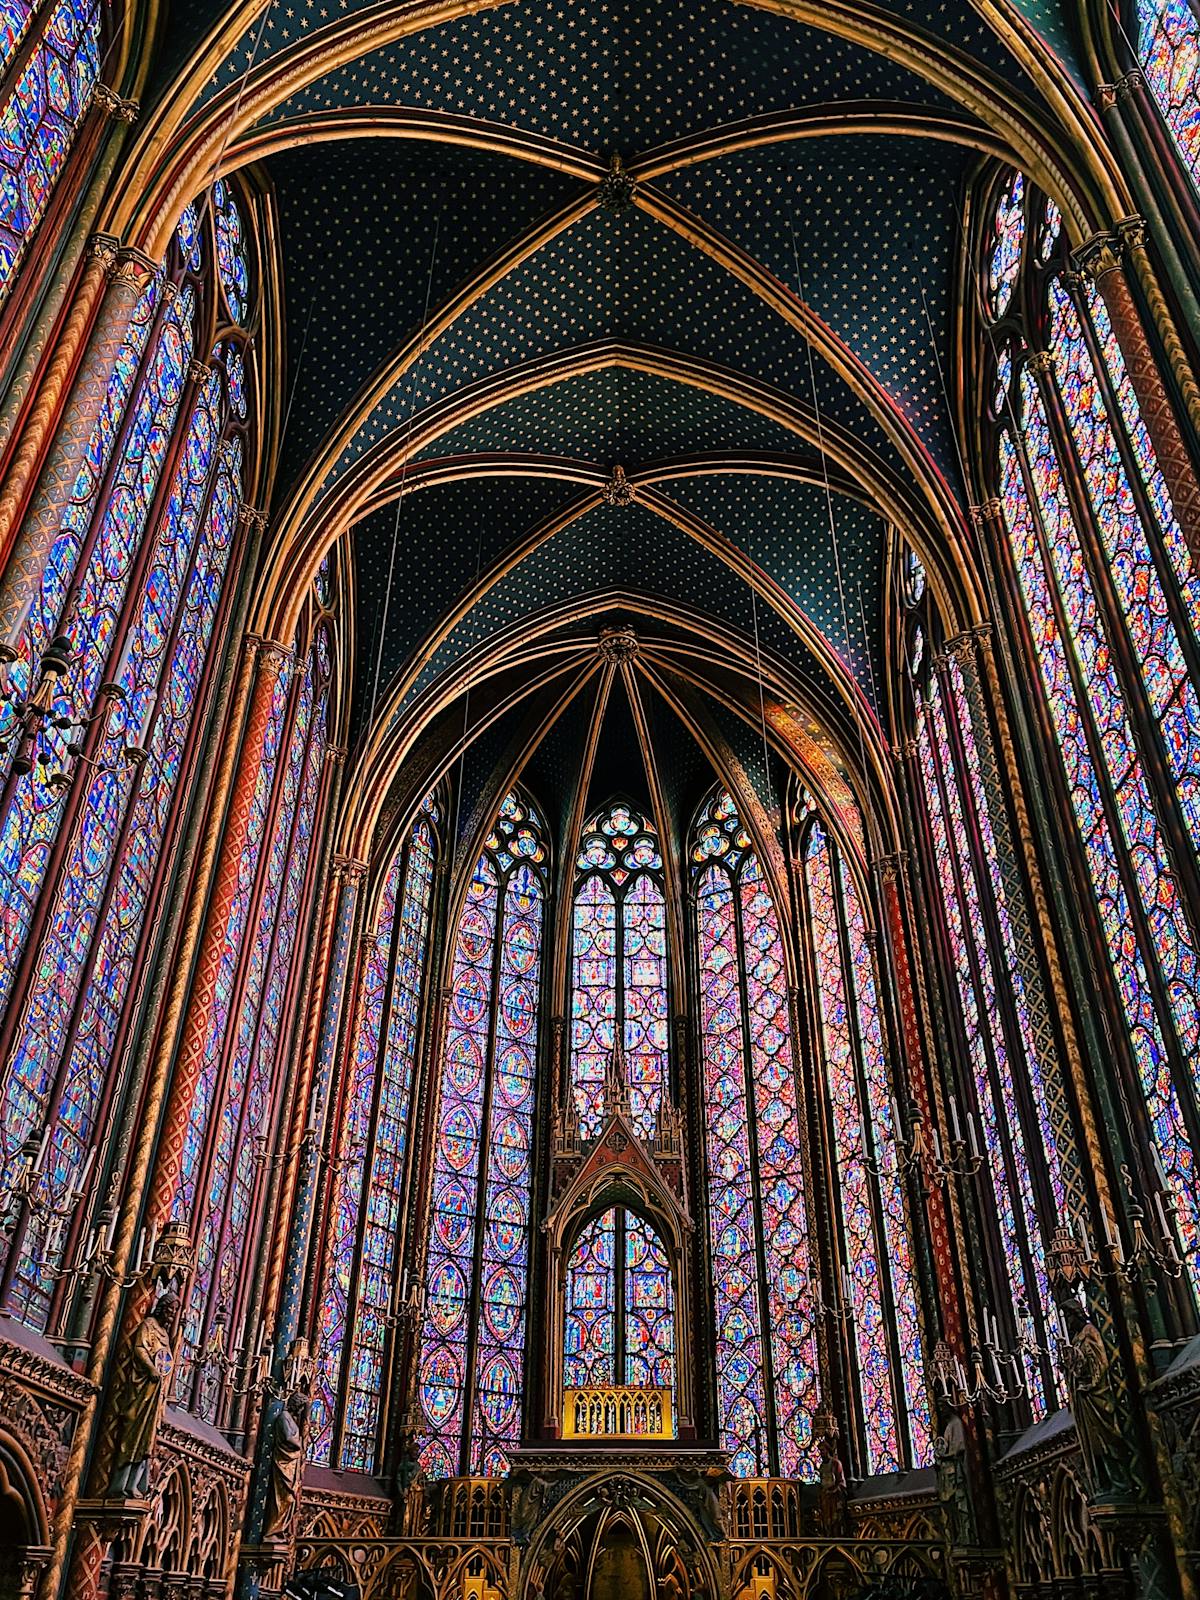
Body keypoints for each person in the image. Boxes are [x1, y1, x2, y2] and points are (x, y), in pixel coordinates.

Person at [109, 1293, 178, 1499]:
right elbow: (140, 1348)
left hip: (156, 1394)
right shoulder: (148, 1325)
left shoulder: (166, 1335)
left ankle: (135, 1483)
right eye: (170, 1308)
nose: (173, 1314)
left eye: (175, 1310)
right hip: (142, 1390)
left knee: (147, 1441)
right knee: (133, 1433)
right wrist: (150, 1369)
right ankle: (120, 1483)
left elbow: (166, 1361)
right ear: (162, 1307)